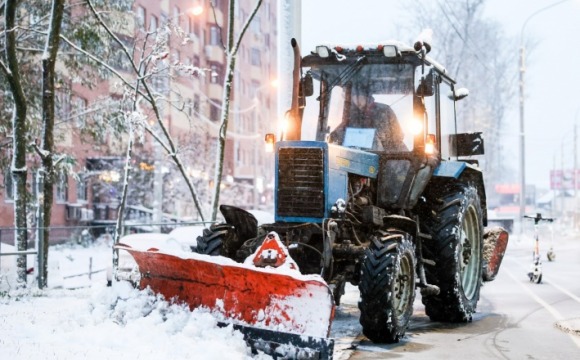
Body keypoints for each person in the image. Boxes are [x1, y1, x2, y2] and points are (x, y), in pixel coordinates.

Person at [330, 84, 405, 151]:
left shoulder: (384, 110)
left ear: (367, 97)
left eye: (360, 97)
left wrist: (381, 139)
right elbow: (341, 131)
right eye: (354, 97)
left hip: (384, 155)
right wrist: (333, 136)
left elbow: (397, 136)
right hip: (357, 156)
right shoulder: (352, 114)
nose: (357, 100)